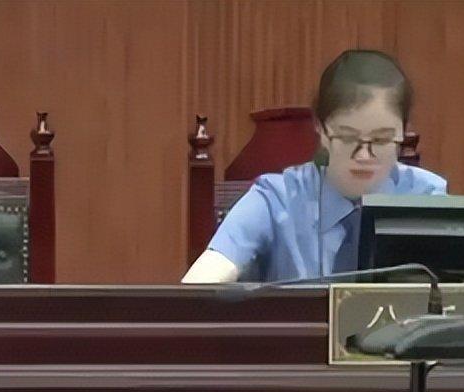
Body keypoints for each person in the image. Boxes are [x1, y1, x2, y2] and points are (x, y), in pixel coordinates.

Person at [183, 50, 447, 283]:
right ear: (320, 128)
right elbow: (200, 285)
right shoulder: (277, 200)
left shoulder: (426, 198)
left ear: (403, 131)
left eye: (381, 140)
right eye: (347, 137)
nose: (364, 155)